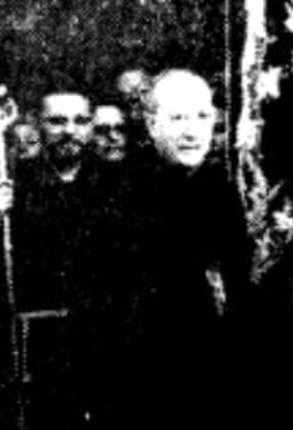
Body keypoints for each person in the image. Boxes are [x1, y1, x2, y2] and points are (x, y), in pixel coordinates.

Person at [96, 69, 250, 429]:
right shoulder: (122, 195)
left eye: (202, 116)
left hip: (215, 376)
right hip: (146, 381)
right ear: (152, 125)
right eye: (178, 118)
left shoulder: (223, 192)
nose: (192, 132)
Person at [0, 88, 99, 430]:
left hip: (101, 336)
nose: (70, 130)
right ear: (37, 123)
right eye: (57, 121)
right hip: (39, 340)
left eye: (80, 121)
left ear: (92, 125)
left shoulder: (116, 181)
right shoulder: (15, 182)